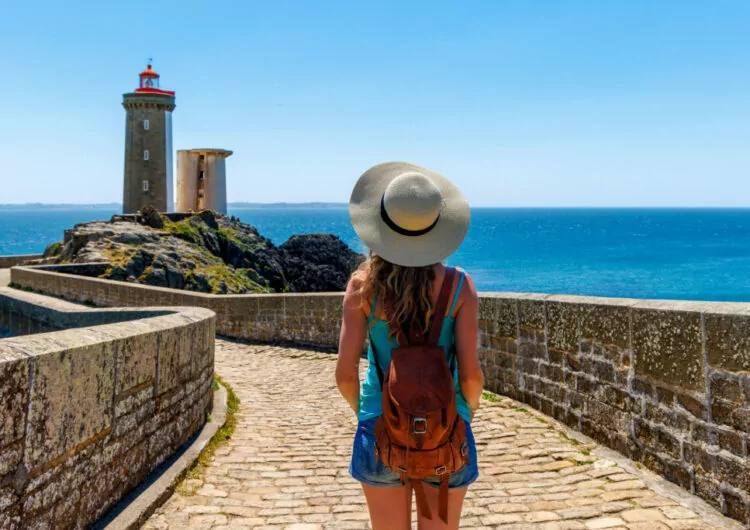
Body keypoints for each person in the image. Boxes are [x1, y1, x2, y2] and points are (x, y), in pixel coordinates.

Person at [336, 161, 484, 529]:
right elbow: (471, 378)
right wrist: (466, 412)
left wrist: (368, 415)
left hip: (380, 427)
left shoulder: (362, 288)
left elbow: (344, 375)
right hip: (447, 430)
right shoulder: (459, 287)